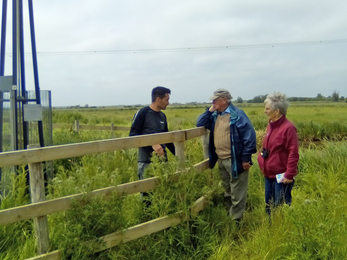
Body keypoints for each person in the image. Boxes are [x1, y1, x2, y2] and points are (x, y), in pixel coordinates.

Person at [196, 89, 257, 222]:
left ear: (224, 100)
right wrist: (210, 110)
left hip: (235, 160)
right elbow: (199, 123)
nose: (213, 102)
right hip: (221, 159)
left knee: (237, 192)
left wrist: (246, 158)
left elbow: (249, 137)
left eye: (215, 100)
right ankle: (230, 217)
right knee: (227, 190)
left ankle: (236, 222)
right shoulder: (214, 115)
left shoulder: (237, 115)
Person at [257, 92, 299, 215]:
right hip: (269, 175)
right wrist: (261, 160)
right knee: (269, 205)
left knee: (280, 207)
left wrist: (289, 174)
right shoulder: (271, 125)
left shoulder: (288, 128)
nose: (265, 111)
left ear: (277, 111)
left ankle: (282, 230)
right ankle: (271, 230)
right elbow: (266, 148)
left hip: (281, 176)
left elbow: (293, 153)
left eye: (267, 108)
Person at [129, 86, 175, 184]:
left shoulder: (162, 116)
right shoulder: (143, 113)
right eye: (166, 100)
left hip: (162, 162)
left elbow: (166, 138)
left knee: (163, 193)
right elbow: (132, 135)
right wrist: (151, 144)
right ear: (158, 99)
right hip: (146, 163)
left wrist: (178, 154)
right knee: (147, 196)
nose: (168, 103)